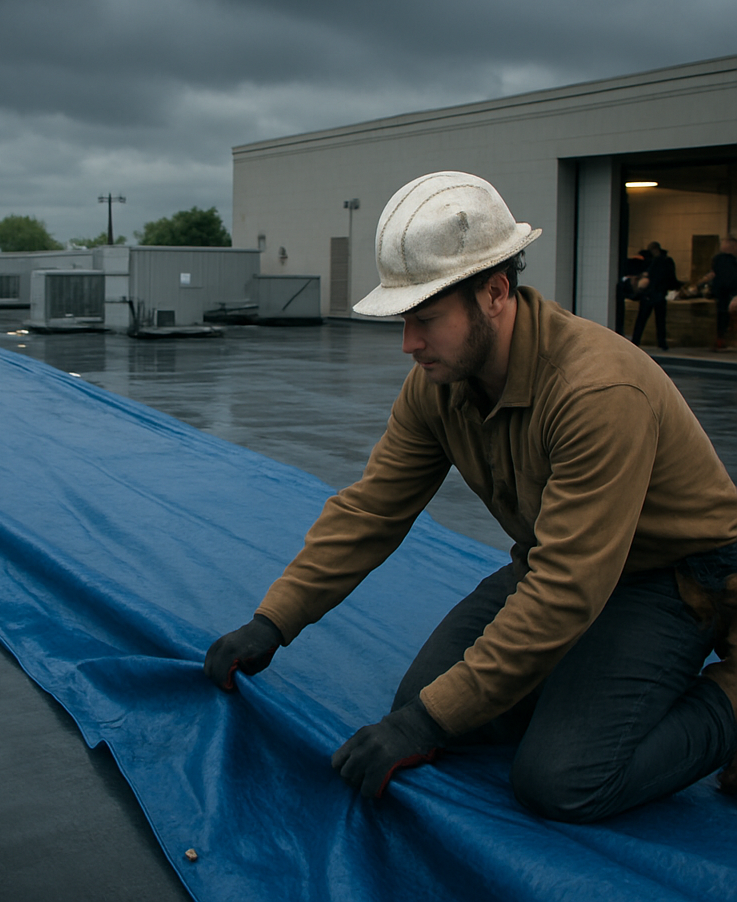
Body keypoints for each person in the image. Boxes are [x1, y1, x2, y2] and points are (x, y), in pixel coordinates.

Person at [205, 171, 737, 823]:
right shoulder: (439, 384)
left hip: (671, 578)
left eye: (425, 319)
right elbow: (374, 508)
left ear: (494, 292)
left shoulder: (597, 394)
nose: (409, 344)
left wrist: (429, 722)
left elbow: (567, 590)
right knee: (423, 701)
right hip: (564, 562)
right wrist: (273, 621)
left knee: (560, 778)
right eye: (404, 319)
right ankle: (578, 680)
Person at [629, 241, 680, 350]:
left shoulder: (651, 263)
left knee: (641, 320)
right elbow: (672, 279)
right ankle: (662, 343)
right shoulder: (667, 261)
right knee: (660, 321)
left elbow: (646, 278)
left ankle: (635, 342)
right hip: (661, 294)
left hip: (649, 294)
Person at [704, 234, 737, 351]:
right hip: (726, 292)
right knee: (724, 318)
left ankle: (721, 340)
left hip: (724, 292)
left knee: (723, 318)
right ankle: (721, 340)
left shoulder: (721, 260)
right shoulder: (727, 261)